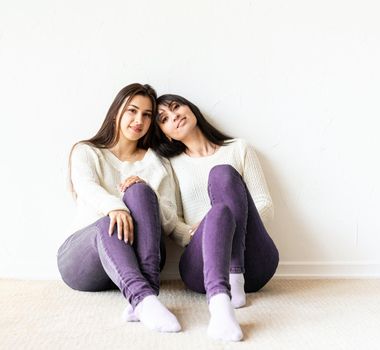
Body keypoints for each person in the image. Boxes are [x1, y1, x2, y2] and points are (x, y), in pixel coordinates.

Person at [57, 83, 186, 333]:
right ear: (117, 112)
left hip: (140, 259)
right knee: (107, 223)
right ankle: (143, 298)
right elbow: (87, 187)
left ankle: (147, 295)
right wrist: (117, 207)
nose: (139, 120)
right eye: (132, 111)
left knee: (139, 190)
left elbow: (169, 218)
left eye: (147, 115)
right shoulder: (86, 151)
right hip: (83, 258)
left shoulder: (156, 162)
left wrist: (145, 193)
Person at [153, 94, 280, 341]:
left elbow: (265, 205)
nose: (175, 115)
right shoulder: (171, 165)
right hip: (202, 267)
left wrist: (234, 226)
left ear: (191, 109)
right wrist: (204, 227)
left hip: (254, 264)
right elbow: (171, 220)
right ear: (166, 134)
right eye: (165, 118)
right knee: (219, 213)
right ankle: (221, 299)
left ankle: (236, 273)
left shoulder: (238, 148)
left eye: (176, 107)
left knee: (222, 174)